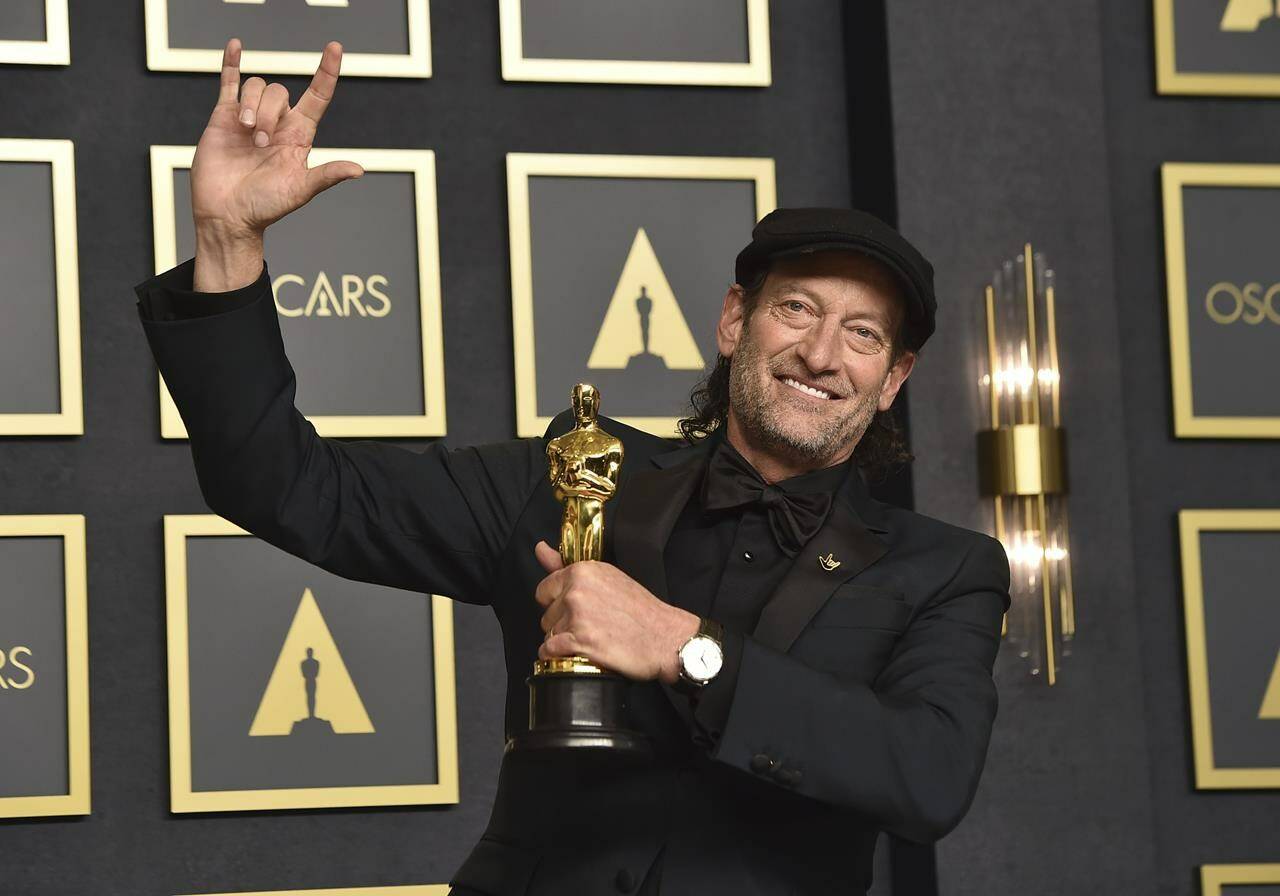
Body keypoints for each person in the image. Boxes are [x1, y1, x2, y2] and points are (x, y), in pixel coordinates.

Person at [135, 38, 1011, 896]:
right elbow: (289, 488)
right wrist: (226, 245)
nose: (822, 354)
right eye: (797, 309)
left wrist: (682, 647)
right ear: (735, 321)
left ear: (893, 377)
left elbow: (926, 778)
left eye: (862, 334)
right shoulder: (568, 473)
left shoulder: (942, 570)